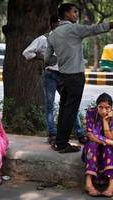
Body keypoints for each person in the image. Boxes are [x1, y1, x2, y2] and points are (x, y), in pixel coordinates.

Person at [45, 3, 113, 153]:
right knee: (70, 110)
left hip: (62, 76)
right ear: (66, 14)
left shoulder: (53, 34)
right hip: (75, 76)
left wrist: (61, 60)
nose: (76, 15)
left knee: (64, 108)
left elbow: (47, 58)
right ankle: (62, 145)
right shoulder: (74, 29)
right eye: (74, 12)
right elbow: (100, 28)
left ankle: (59, 142)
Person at [22, 15, 88, 145]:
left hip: (66, 75)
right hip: (51, 75)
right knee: (50, 105)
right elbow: (26, 53)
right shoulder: (43, 39)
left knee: (71, 105)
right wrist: (42, 57)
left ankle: (80, 134)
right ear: (52, 25)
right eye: (59, 25)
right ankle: (52, 134)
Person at [82, 93, 113, 197]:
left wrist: (105, 120)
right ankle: (88, 183)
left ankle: (112, 185)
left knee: (109, 148)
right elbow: (90, 134)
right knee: (92, 145)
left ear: (111, 107)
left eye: (107, 108)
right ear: (96, 106)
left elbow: (111, 136)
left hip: (109, 146)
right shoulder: (90, 113)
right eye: (100, 107)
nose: (104, 111)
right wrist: (111, 143)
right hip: (95, 144)